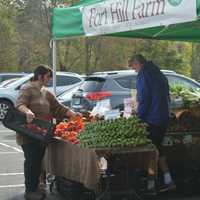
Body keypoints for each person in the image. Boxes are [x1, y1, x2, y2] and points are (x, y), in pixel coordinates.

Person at [16, 65, 79, 200]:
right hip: (28, 134)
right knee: (32, 162)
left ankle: (38, 187)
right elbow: (20, 104)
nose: (49, 80)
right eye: (48, 77)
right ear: (40, 76)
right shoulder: (27, 88)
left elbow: (58, 108)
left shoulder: (45, 92)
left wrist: (73, 114)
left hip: (42, 134)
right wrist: (27, 111)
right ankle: (30, 191)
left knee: (39, 161)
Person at [128, 54, 176, 193]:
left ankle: (151, 186)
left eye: (134, 67)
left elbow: (144, 99)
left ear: (138, 63)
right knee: (159, 150)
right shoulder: (158, 72)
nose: (134, 70)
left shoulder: (144, 75)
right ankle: (168, 180)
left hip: (153, 119)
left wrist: (138, 117)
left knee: (151, 153)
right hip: (163, 118)